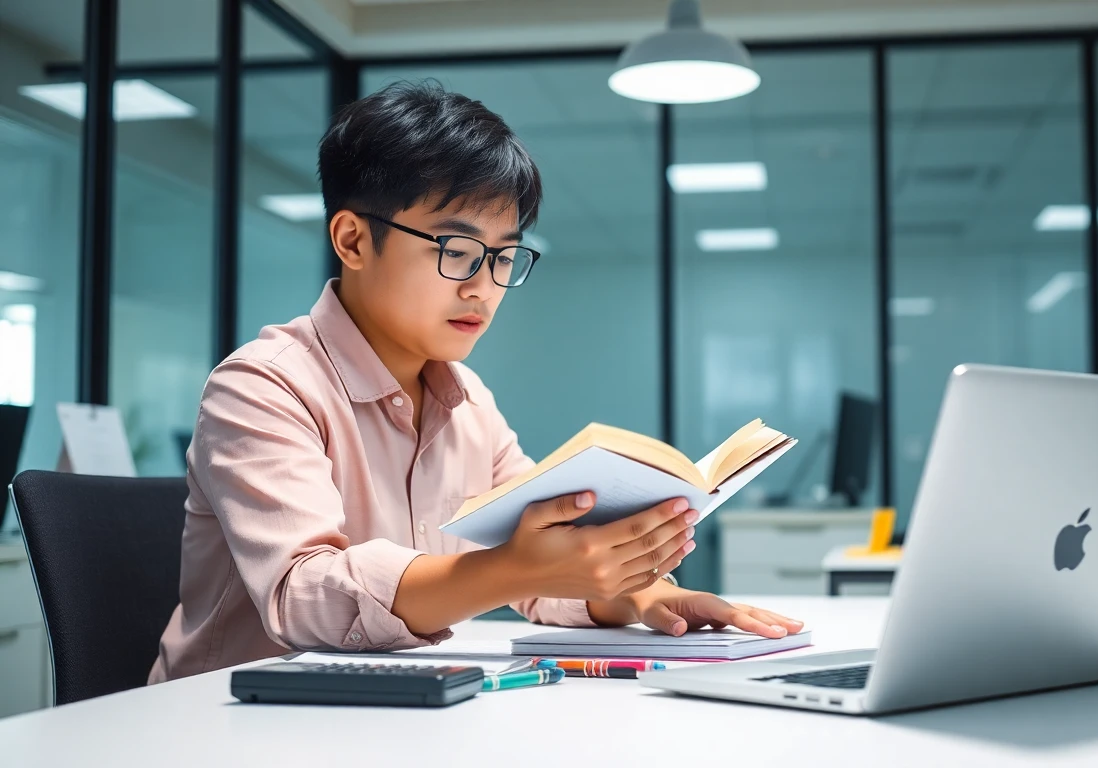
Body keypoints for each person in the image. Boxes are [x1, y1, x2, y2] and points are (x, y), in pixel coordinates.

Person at [150, 81, 803, 683]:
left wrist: (647, 595)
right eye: (455, 250)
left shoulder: (469, 400)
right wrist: (510, 565)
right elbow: (304, 594)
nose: (482, 285)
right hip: (233, 726)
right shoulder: (262, 387)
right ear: (352, 241)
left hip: (392, 717)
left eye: (503, 256)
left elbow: (538, 574)